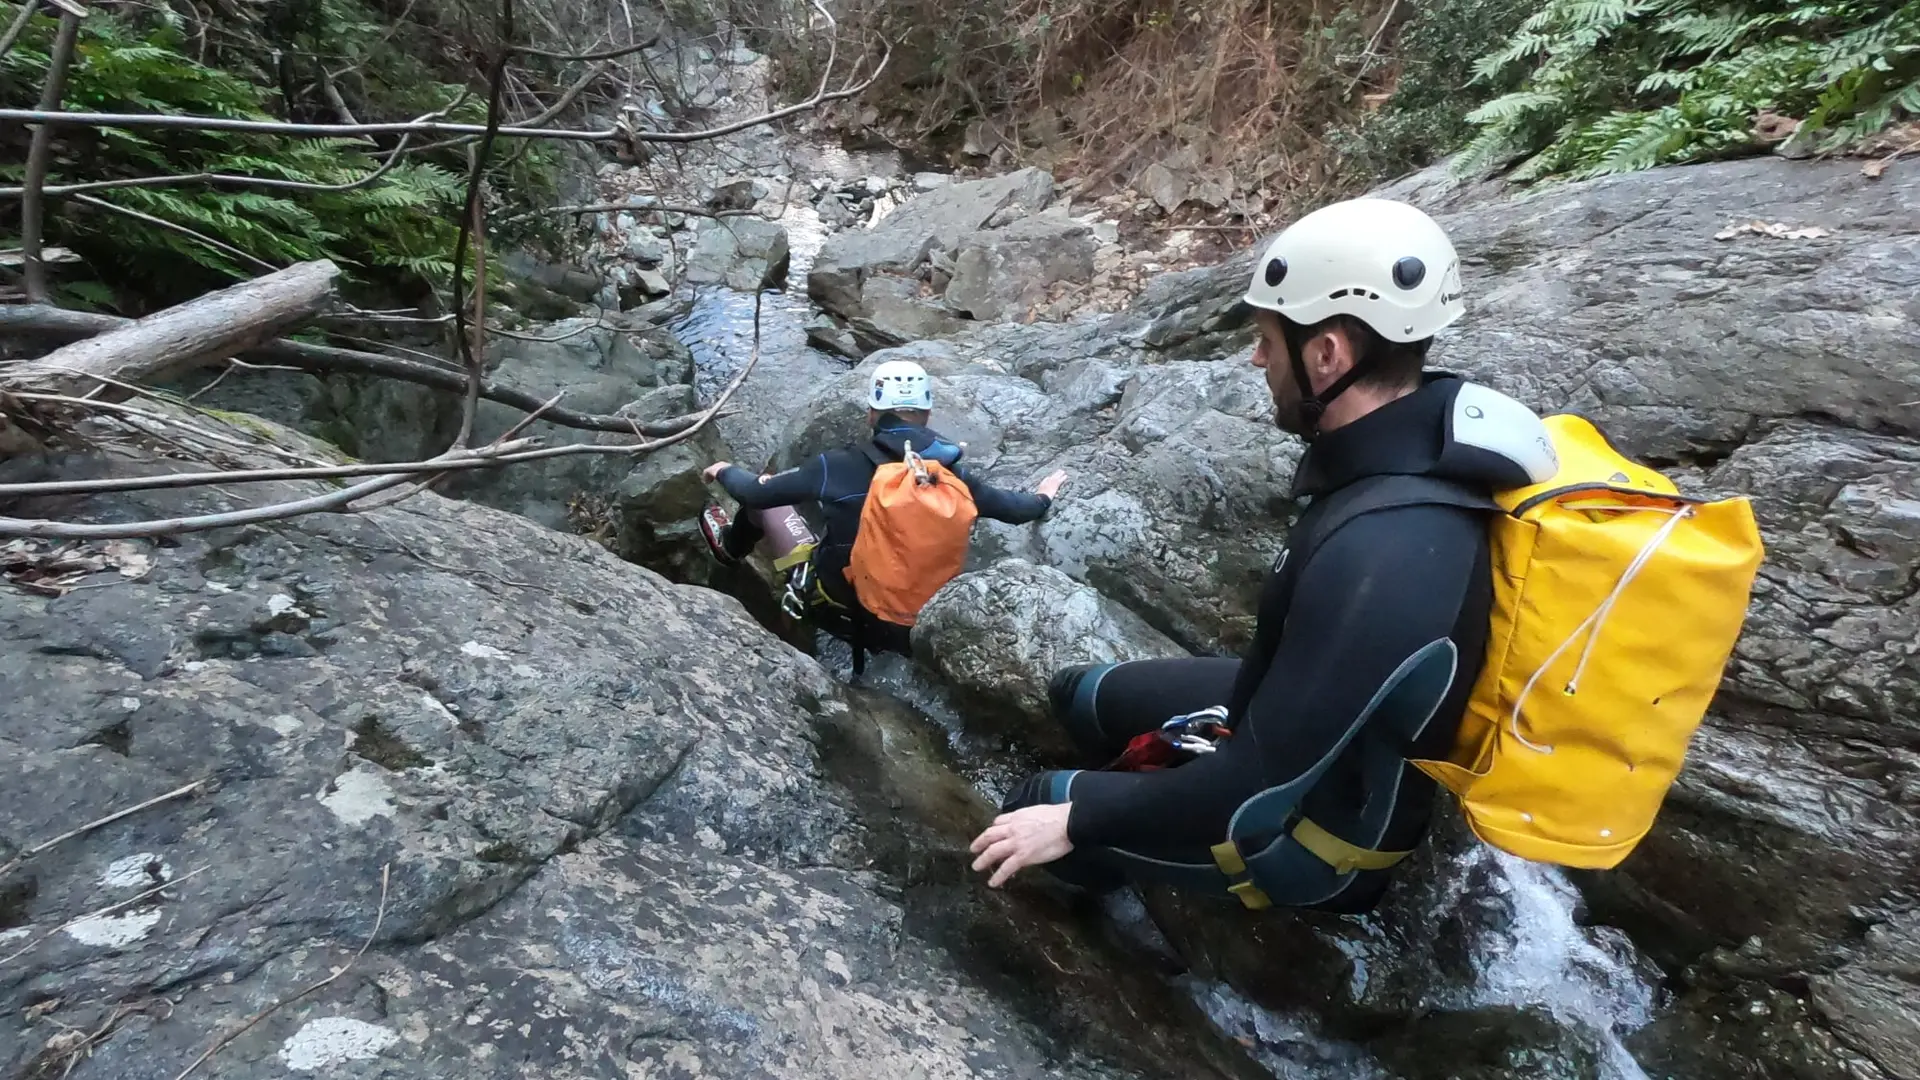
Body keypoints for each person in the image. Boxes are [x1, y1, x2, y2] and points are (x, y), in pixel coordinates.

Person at [968, 196, 1560, 911]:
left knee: (1034, 802)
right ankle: (1135, 802)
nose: (1256, 357)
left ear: (1328, 353)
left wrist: (1076, 817)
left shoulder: (1388, 551)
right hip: (1300, 709)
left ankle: (1134, 900)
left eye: (1267, 339)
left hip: (1323, 835)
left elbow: (1254, 790)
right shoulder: (1410, 437)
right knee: (1081, 694)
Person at [699, 358, 1067, 664]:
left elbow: (752, 493)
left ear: (872, 414)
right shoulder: (950, 477)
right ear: (926, 414)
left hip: (837, 608)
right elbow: (1015, 510)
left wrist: (724, 469)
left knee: (764, 492)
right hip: (906, 623)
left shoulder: (834, 466)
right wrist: (1043, 497)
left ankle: (729, 549)